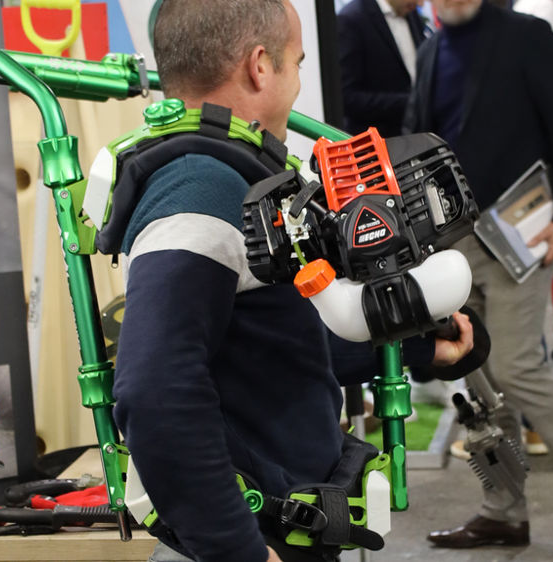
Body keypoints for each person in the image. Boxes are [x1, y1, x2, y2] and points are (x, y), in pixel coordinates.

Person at [111, 2, 476, 561]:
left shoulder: (233, 179)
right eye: (297, 64)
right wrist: (239, 551)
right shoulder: (200, 189)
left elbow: (277, 346)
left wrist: (423, 347)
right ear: (261, 66)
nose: (299, 81)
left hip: (287, 524)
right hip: (257, 539)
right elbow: (154, 389)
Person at [402, 0, 553, 558]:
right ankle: (504, 510)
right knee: (480, 380)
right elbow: (414, 140)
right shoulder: (430, 50)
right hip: (450, 244)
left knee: (518, 366)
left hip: (518, 232)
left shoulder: (529, 37)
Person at [338, 0, 428, 137]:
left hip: (414, 139)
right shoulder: (352, 19)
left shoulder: (411, 13)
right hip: (376, 144)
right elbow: (347, 98)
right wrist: (410, 103)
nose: (421, 4)